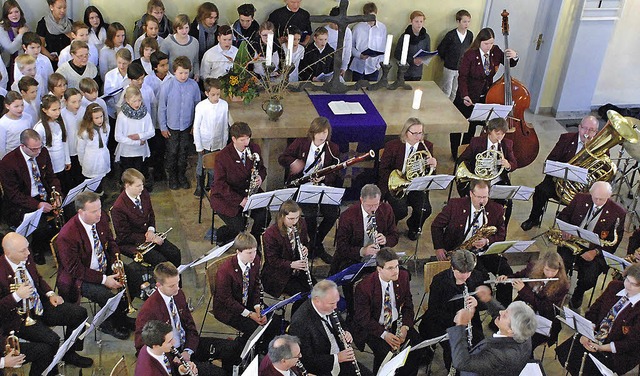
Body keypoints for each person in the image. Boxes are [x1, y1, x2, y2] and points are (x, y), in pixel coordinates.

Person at [0, 232, 92, 370]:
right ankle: (47, 370)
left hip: (39, 304)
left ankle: (70, 353)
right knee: (52, 340)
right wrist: (17, 296)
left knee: (79, 313)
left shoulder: (26, 256)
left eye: (28, 247)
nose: (28, 253)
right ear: (8, 253)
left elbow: (37, 278)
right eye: (23, 250)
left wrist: (50, 294)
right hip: (19, 319)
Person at [55, 191, 136, 340]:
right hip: (81, 277)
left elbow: (111, 242)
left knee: (133, 278)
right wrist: (104, 280)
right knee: (106, 296)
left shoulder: (101, 218)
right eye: (94, 211)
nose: (99, 214)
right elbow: (75, 269)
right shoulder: (67, 235)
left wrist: (114, 263)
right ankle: (108, 324)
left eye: (99, 209)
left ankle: (120, 316)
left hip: (104, 265)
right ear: (81, 212)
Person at [135, 262, 230, 375]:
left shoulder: (178, 294)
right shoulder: (148, 311)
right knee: (218, 374)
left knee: (230, 349)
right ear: (159, 285)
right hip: (172, 356)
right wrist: (174, 361)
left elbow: (190, 325)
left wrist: (188, 350)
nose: (177, 289)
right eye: (171, 286)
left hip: (188, 345)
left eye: (178, 283)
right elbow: (143, 346)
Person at [432, 179, 513, 306]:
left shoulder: (496, 209)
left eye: (485, 197)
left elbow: (501, 234)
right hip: (462, 253)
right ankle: (479, 306)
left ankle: (502, 311)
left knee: (506, 272)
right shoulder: (455, 205)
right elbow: (436, 226)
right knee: (481, 277)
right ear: (471, 194)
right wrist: (439, 247)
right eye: (479, 197)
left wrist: (487, 240)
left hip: (485, 252)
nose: (482, 201)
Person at [555, 264, 640, 376]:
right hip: (594, 335)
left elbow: (631, 342)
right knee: (570, 355)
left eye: (633, 284)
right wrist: (587, 332)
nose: (627, 286)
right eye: (627, 280)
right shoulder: (614, 286)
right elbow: (594, 311)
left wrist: (601, 347)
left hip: (617, 350)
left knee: (588, 369)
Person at [278, 116, 340, 262]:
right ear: (312, 133)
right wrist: (294, 162)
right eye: (319, 133)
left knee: (332, 213)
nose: (322, 136)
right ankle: (317, 246)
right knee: (310, 215)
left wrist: (324, 178)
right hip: (303, 186)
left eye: (325, 133)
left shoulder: (333, 148)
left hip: (322, 187)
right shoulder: (301, 143)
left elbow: (336, 172)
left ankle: (315, 242)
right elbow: (282, 158)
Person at [521, 115, 599, 230]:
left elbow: (600, 176)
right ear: (579, 127)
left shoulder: (600, 148)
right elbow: (550, 160)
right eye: (584, 128)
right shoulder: (566, 139)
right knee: (540, 190)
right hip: (558, 181)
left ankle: (570, 227)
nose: (586, 132)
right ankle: (534, 218)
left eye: (591, 130)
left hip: (581, 189)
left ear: (596, 132)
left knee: (586, 202)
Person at [450, 27, 518, 158]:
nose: (489, 46)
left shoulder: (495, 51)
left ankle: (465, 152)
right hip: (467, 95)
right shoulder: (470, 54)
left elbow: (510, 64)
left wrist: (514, 56)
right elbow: (462, 77)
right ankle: (455, 153)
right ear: (479, 42)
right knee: (460, 126)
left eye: (491, 43)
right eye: (486, 43)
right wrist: (465, 95)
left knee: (472, 126)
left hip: (483, 97)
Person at [331, 184, 399, 318]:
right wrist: (363, 251)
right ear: (361, 200)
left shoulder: (386, 210)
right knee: (351, 282)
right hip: (353, 258)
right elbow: (342, 247)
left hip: (378, 259)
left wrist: (385, 240)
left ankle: (383, 310)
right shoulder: (348, 216)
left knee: (397, 275)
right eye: (369, 206)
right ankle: (353, 313)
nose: (373, 209)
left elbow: (394, 236)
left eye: (376, 205)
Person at [556, 181, 626, 309]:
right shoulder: (580, 198)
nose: (598, 201)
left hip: (595, 250)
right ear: (591, 193)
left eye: (602, 199)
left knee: (589, 278)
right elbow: (564, 215)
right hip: (571, 243)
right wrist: (564, 229)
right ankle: (559, 290)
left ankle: (579, 292)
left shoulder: (618, 213)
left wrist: (596, 252)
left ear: (609, 197)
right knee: (560, 265)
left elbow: (615, 241)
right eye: (595, 198)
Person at [353, 249, 422, 375]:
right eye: (390, 268)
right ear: (379, 269)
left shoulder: (403, 276)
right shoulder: (364, 287)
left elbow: (408, 304)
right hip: (374, 327)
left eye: (396, 266)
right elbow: (363, 318)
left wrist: (405, 327)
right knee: (385, 353)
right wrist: (384, 334)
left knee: (415, 345)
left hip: (396, 322)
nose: (395, 271)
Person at [0, 129, 60, 265]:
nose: (38, 152)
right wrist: (37, 205)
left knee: (67, 211)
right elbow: (13, 194)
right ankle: (37, 249)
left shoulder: (42, 152)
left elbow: (51, 177)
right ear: (23, 146)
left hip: (42, 194)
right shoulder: (8, 162)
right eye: (34, 149)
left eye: (39, 147)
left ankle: (56, 243)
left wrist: (57, 195)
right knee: (40, 225)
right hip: (21, 202)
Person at [288, 279, 373, 376]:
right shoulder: (300, 322)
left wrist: (346, 332)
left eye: (336, 302)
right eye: (332, 303)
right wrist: (337, 358)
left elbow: (342, 324)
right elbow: (307, 359)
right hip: (322, 368)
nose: (335, 307)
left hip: (341, 358)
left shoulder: (329, 305)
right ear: (317, 300)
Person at [418, 250, 484, 370]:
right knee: (453, 350)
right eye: (461, 272)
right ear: (452, 267)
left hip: (469, 321)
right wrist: (454, 318)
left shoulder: (477, 276)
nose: (465, 276)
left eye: (469, 272)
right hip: (444, 321)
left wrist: (477, 302)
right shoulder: (440, 281)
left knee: (480, 347)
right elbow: (433, 310)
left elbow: (486, 303)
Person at [495, 251, 570, 351]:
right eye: (547, 270)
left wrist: (523, 290)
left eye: (554, 271)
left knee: (526, 342)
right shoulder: (533, 267)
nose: (550, 274)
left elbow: (544, 307)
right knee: (507, 328)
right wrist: (507, 278)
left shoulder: (563, 285)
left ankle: (523, 356)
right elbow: (519, 276)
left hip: (542, 317)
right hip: (523, 308)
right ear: (542, 266)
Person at [210, 122, 269, 245]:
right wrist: (240, 200)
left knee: (264, 216)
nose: (246, 143)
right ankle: (222, 234)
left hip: (249, 191)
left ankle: (254, 241)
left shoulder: (254, 149)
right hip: (227, 196)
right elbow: (220, 185)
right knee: (239, 226)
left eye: (248, 138)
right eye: (242, 140)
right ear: (233, 139)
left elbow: (262, 169)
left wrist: (260, 177)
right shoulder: (223, 157)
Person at [378, 117, 437, 241]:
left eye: (420, 133)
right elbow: (383, 169)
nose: (418, 137)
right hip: (396, 185)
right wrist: (397, 181)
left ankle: (414, 227)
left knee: (425, 209)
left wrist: (432, 166)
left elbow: (429, 175)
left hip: (416, 186)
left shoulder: (427, 146)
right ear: (406, 132)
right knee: (400, 210)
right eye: (414, 133)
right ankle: (389, 228)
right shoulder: (393, 146)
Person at [111, 168, 181, 267]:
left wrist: (151, 230)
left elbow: (151, 214)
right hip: (132, 242)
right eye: (138, 186)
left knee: (175, 253)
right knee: (161, 262)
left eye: (142, 185)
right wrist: (149, 238)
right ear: (127, 185)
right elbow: (124, 236)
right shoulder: (119, 207)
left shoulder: (143, 193)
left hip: (148, 233)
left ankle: (175, 281)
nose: (142, 188)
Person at [448, 298, 537, 376]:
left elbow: (462, 363)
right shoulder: (524, 333)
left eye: (504, 315)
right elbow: (508, 317)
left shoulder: (499, 355)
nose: (501, 312)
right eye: (506, 310)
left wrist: (460, 325)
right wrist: (487, 299)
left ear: (511, 330)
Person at [457, 117, 518, 224]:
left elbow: (514, 164)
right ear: (489, 131)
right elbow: (462, 159)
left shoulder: (507, 144)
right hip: (478, 180)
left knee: (509, 203)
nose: (500, 137)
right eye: (497, 133)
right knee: (477, 202)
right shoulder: (477, 142)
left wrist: (507, 164)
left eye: (503, 134)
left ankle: (501, 230)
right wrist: (473, 171)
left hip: (497, 180)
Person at [213, 232, 268, 343]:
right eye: (249, 253)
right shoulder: (225, 271)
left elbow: (256, 284)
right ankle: (241, 349)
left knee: (271, 321)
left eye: (255, 251)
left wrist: (257, 307)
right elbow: (226, 300)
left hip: (248, 301)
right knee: (255, 329)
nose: (253, 256)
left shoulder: (255, 260)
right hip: (229, 310)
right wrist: (250, 314)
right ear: (238, 252)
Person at [262, 200, 312, 313]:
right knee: (303, 296)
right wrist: (291, 264)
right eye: (291, 219)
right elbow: (272, 260)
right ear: (282, 216)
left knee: (316, 290)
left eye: (297, 218)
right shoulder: (271, 234)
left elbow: (306, 242)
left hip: (297, 269)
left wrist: (305, 249)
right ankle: (295, 322)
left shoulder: (301, 223)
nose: (295, 222)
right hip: (278, 275)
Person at [158, 55, 200, 190]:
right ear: (174, 71)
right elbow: (162, 107)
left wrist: (195, 125)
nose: (183, 76)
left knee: (183, 153)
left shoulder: (193, 86)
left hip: (186, 127)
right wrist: (163, 127)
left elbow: (197, 106)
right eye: (180, 73)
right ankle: (172, 177)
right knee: (172, 152)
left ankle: (181, 175)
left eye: (186, 73)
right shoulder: (167, 85)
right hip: (172, 127)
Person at [192, 77, 231, 196]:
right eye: (213, 95)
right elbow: (196, 127)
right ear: (207, 93)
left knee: (214, 166)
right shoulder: (201, 106)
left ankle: (211, 185)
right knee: (202, 164)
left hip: (218, 142)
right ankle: (200, 186)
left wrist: (223, 144)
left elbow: (225, 125)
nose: (216, 97)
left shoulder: (224, 105)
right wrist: (199, 146)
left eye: (218, 94)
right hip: (204, 142)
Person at [114, 86, 154, 180]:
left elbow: (151, 132)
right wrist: (137, 142)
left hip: (140, 151)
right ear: (127, 100)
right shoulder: (122, 116)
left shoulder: (145, 114)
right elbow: (118, 136)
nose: (137, 104)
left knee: (140, 175)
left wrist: (140, 136)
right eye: (134, 101)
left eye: (139, 100)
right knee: (128, 177)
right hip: (126, 152)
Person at [33, 94, 71, 193]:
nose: (58, 112)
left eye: (59, 108)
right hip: (50, 165)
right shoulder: (40, 127)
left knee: (63, 185)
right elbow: (38, 150)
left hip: (61, 161)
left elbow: (64, 141)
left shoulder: (60, 123)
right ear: (45, 110)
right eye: (54, 110)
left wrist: (67, 159)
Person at [437, 9, 473, 101]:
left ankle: (449, 109)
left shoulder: (469, 35)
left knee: (455, 91)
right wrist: (448, 60)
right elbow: (441, 49)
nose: (467, 24)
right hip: (449, 67)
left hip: (461, 69)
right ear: (458, 22)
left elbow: (469, 49)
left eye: (468, 22)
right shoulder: (451, 35)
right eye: (464, 22)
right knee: (446, 90)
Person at [349, 2, 386, 82]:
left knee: (371, 90)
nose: (371, 19)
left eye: (373, 15)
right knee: (356, 89)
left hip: (374, 66)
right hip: (359, 65)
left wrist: (378, 64)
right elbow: (350, 46)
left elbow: (383, 47)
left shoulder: (382, 28)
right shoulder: (358, 28)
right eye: (369, 16)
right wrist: (359, 55)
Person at [76, 103, 110, 184]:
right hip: (91, 160)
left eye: (101, 117)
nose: (100, 120)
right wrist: (82, 162)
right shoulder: (84, 132)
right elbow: (80, 149)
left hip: (103, 157)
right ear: (90, 118)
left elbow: (106, 141)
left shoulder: (107, 127)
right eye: (96, 118)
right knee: (91, 181)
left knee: (102, 179)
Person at [160, 15, 200, 80]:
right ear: (176, 28)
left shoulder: (195, 42)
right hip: (172, 78)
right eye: (181, 28)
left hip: (189, 79)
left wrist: (196, 73)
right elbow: (162, 62)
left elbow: (195, 61)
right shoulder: (167, 42)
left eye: (186, 28)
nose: (184, 31)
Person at [394, 10, 430, 81]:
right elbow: (397, 54)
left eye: (421, 21)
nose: (419, 24)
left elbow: (427, 52)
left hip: (417, 72)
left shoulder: (426, 37)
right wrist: (412, 60)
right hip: (404, 72)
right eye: (416, 21)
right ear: (411, 22)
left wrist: (423, 59)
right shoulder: (405, 36)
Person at [60, 88, 85, 187]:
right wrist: (67, 159)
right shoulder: (62, 114)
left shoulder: (84, 111)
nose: (77, 105)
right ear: (66, 102)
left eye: (79, 101)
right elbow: (64, 138)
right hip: (70, 151)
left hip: (82, 150)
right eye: (73, 102)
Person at [36, 0, 72, 66]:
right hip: (51, 60)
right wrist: (50, 56)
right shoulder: (43, 24)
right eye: (59, 8)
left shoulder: (70, 23)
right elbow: (40, 45)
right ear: (51, 7)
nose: (63, 11)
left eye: (64, 7)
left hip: (67, 59)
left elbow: (74, 43)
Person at [0, 91, 32, 159]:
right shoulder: (2, 123)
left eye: (22, 105)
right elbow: (1, 147)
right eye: (16, 106)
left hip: (27, 155)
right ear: (7, 106)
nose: (20, 109)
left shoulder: (28, 117)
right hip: (11, 158)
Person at [325, 6, 352, 77]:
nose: (338, 26)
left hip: (340, 64)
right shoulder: (325, 31)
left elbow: (347, 50)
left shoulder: (347, 31)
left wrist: (344, 67)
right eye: (335, 23)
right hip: (327, 65)